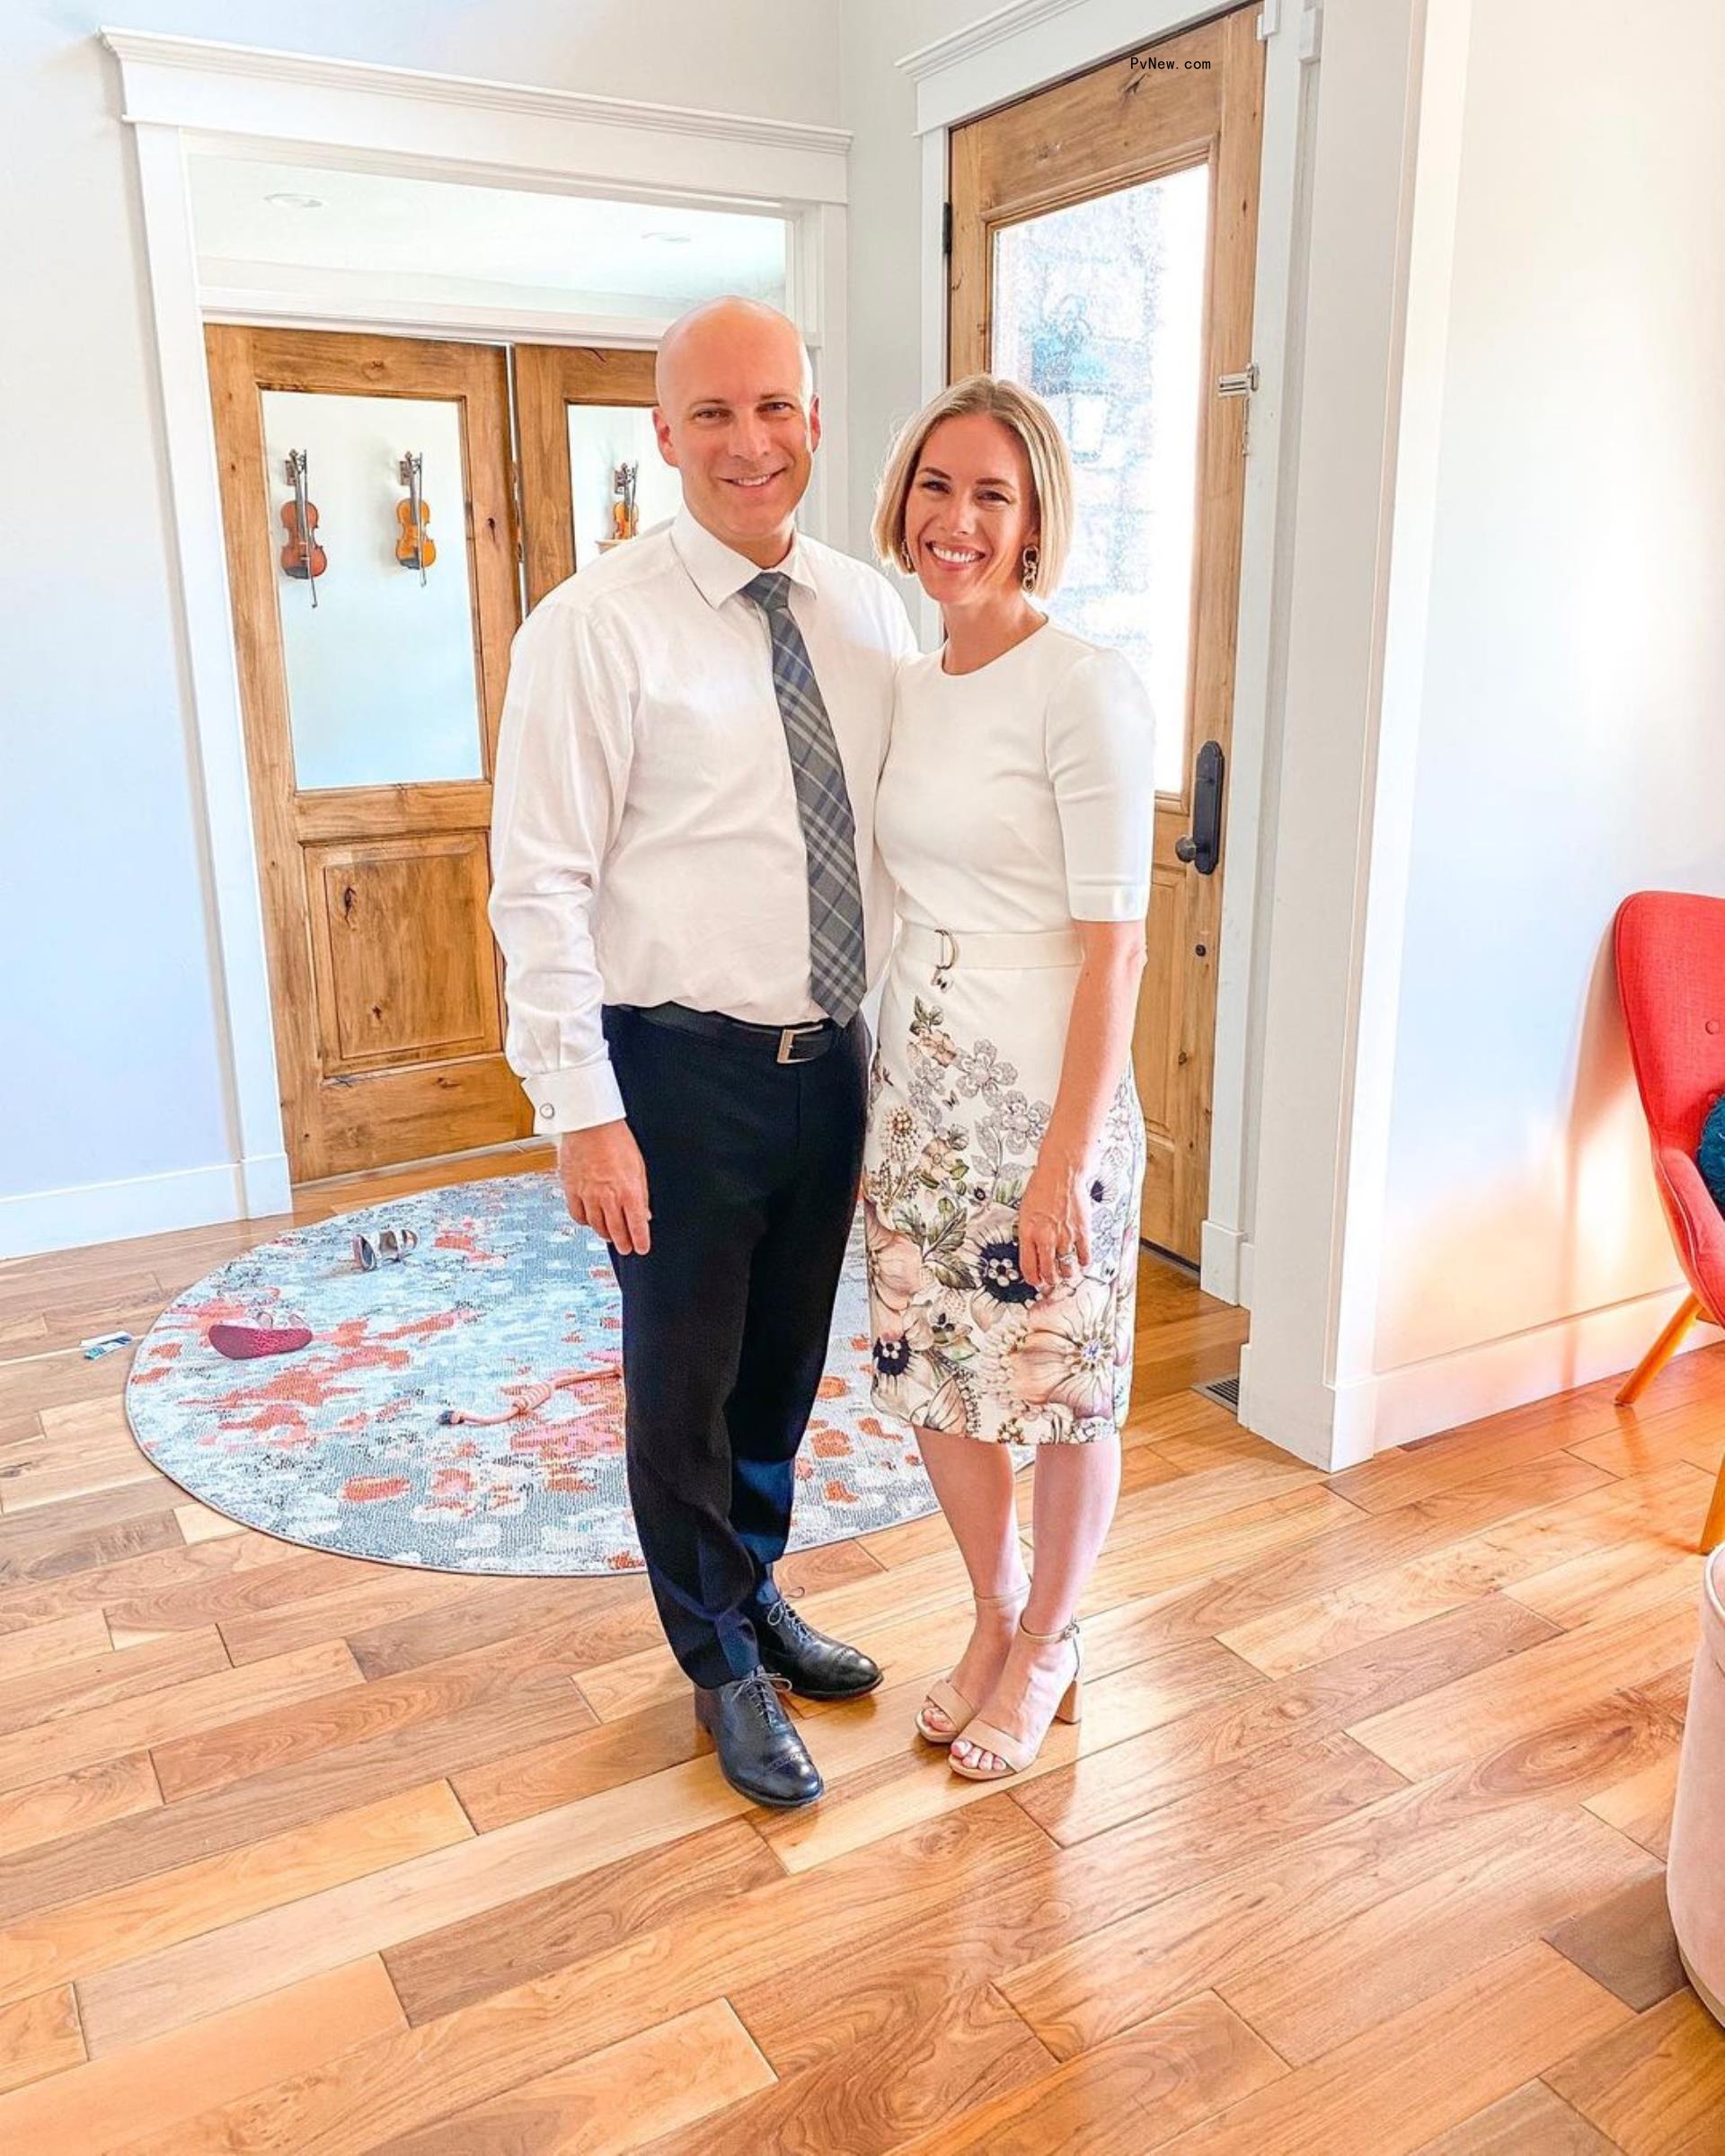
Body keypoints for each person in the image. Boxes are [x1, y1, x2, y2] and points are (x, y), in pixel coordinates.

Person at [489, 297, 916, 1811]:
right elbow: (537, 882)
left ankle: (758, 1588)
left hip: (834, 1059)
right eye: (714, 415)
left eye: (777, 408)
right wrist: (582, 1114)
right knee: (685, 1379)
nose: (751, 443)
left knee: (785, 1371)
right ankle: (715, 1656)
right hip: (673, 1073)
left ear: (813, 417)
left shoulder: (871, 612)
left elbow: (893, 842)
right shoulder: (594, 629)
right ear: (662, 436)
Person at [863, 374, 1154, 1781]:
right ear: (902, 503)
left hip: (1052, 1100)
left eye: (992, 494)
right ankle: (990, 1613)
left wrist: (1064, 1160)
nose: (957, 519)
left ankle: (1053, 1639)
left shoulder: (1085, 685)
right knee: (941, 1383)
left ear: (1035, 520)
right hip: (920, 1102)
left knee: (1058, 1388)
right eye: (937, 486)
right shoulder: (910, 687)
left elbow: (1120, 951)